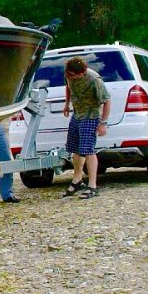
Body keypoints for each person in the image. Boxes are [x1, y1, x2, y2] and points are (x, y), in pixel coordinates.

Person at [61, 56, 111, 199]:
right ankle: (77, 180)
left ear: (81, 73)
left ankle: (92, 186)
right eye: (68, 74)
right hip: (77, 114)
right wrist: (67, 104)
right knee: (75, 148)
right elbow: (68, 87)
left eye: (72, 75)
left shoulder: (94, 80)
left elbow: (107, 101)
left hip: (91, 115)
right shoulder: (69, 74)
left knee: (88, 150)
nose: (70, 77)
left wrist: (103, 123)